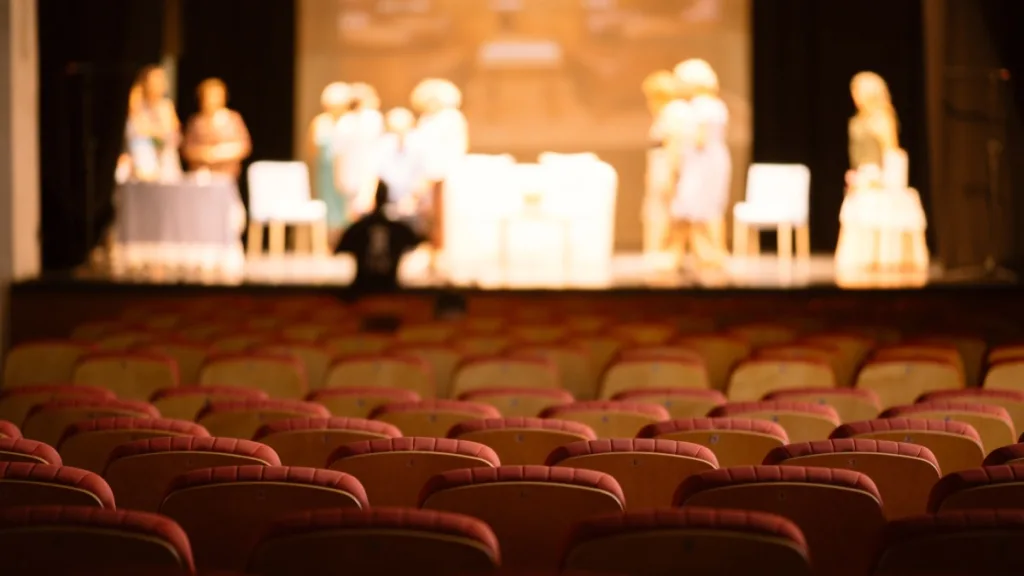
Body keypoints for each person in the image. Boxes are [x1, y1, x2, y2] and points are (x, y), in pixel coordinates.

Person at [836, 71, 928, 274]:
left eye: (858, 90)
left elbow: (891, 152)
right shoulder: (857, 120)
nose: (855, 96)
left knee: (874, 203)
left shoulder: (883, 118)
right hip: (862, 173)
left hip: (880, 175)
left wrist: (881, 178)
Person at [669, 58, 731, 270]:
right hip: (706, 161)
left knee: (697, 207)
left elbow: (700, 139)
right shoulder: (714, 104)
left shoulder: (703, 106)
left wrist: (679, 138)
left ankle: (711, 255)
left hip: (703, 163)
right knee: (700, 208)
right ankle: (700, 255)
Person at [411, 78, 469, 265]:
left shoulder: (451, 118)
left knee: (444, 218)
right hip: (427, 174)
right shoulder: (426, 119)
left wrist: (438, 172)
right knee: (427, 217)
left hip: (443, 174)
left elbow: (455, 148)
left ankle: (443, 256)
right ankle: (432, 254)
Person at [336, 180, 425, 294]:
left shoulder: (358, 228)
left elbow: (338, 249)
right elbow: (418, 240)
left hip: (363, 293)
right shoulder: (398, 229)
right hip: (389, 292)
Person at [642, 70, 688, 266]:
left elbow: (674, 144)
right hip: (659, 166)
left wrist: (671, 173)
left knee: (665, 211)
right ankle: (661, 253)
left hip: (666, 167)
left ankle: (666, 254)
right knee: (658, 210)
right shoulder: (667, 112)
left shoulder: (673, 112)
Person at [309, 82, 352, 248]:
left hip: (346, 169)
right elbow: (312, 149)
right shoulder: (320, 122)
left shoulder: (348, 122)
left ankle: (346, 242)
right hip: (326, 171)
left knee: (346, 208)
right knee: (328, 208)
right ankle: (327, 244)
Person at [181, 78, 252, 178]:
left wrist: (220, 152)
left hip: (227, 175)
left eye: (216, 96)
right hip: (201, 175)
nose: (212, 100)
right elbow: (187, 149)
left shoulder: (232, 118)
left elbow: (244, 146)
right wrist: (204, 154)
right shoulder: (196, 121)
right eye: (209, 96)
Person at [335, 82, 385, 220]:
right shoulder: (371, 118)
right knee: (360, 209)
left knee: (358, 208)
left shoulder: (344, 121)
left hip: (356, 171)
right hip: (363, 170)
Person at [377, 107, 427, 226]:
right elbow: (376, 172)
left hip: (415, 202)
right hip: (390, 201)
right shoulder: (384, 144)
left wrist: (412, 198)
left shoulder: (420, 144)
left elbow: (425, 175)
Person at [135, 65, 183, 182]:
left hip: (166, 160)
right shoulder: (137, 107)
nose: (158, 85)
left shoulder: (167, 106)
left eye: (161, 80)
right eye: (153, 81)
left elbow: (174, 133)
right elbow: (137, 132)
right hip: (143, 159)